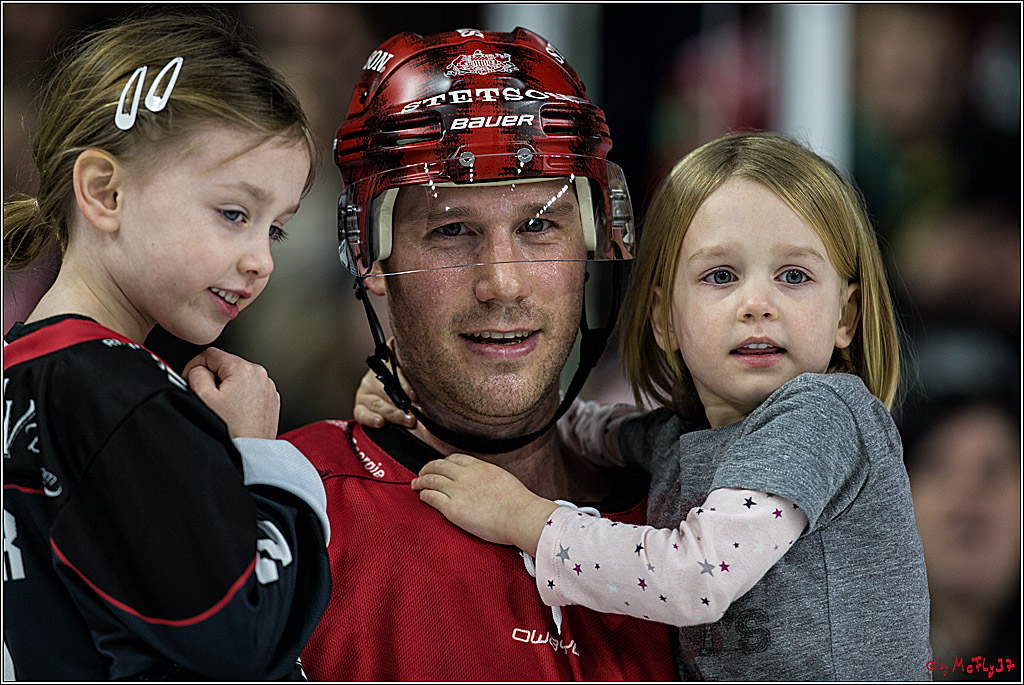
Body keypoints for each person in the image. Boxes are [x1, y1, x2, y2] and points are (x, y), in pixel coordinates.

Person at [402, 132, 933, 680]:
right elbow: (580, 427)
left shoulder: (822, 418)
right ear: (664, 320)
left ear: (845, 317)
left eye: (793, 277)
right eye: (720, 276)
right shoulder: (678, 436)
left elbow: (693, 580)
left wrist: (527, 519)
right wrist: (420, 401)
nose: (757, 305)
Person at [280, 27, 677, 680]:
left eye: (538, 225)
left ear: (592, 246)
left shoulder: (704, 522)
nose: (503, 283)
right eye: (452, 229)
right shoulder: (292, 513)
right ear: (369, 256)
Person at [2, 9, 331, 680]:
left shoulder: (25, 371)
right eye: (235, 214)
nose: (261, 260)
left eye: (276, 230)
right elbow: (242, 641)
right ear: (105, 191)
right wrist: (262, 460)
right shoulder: (118, 396)